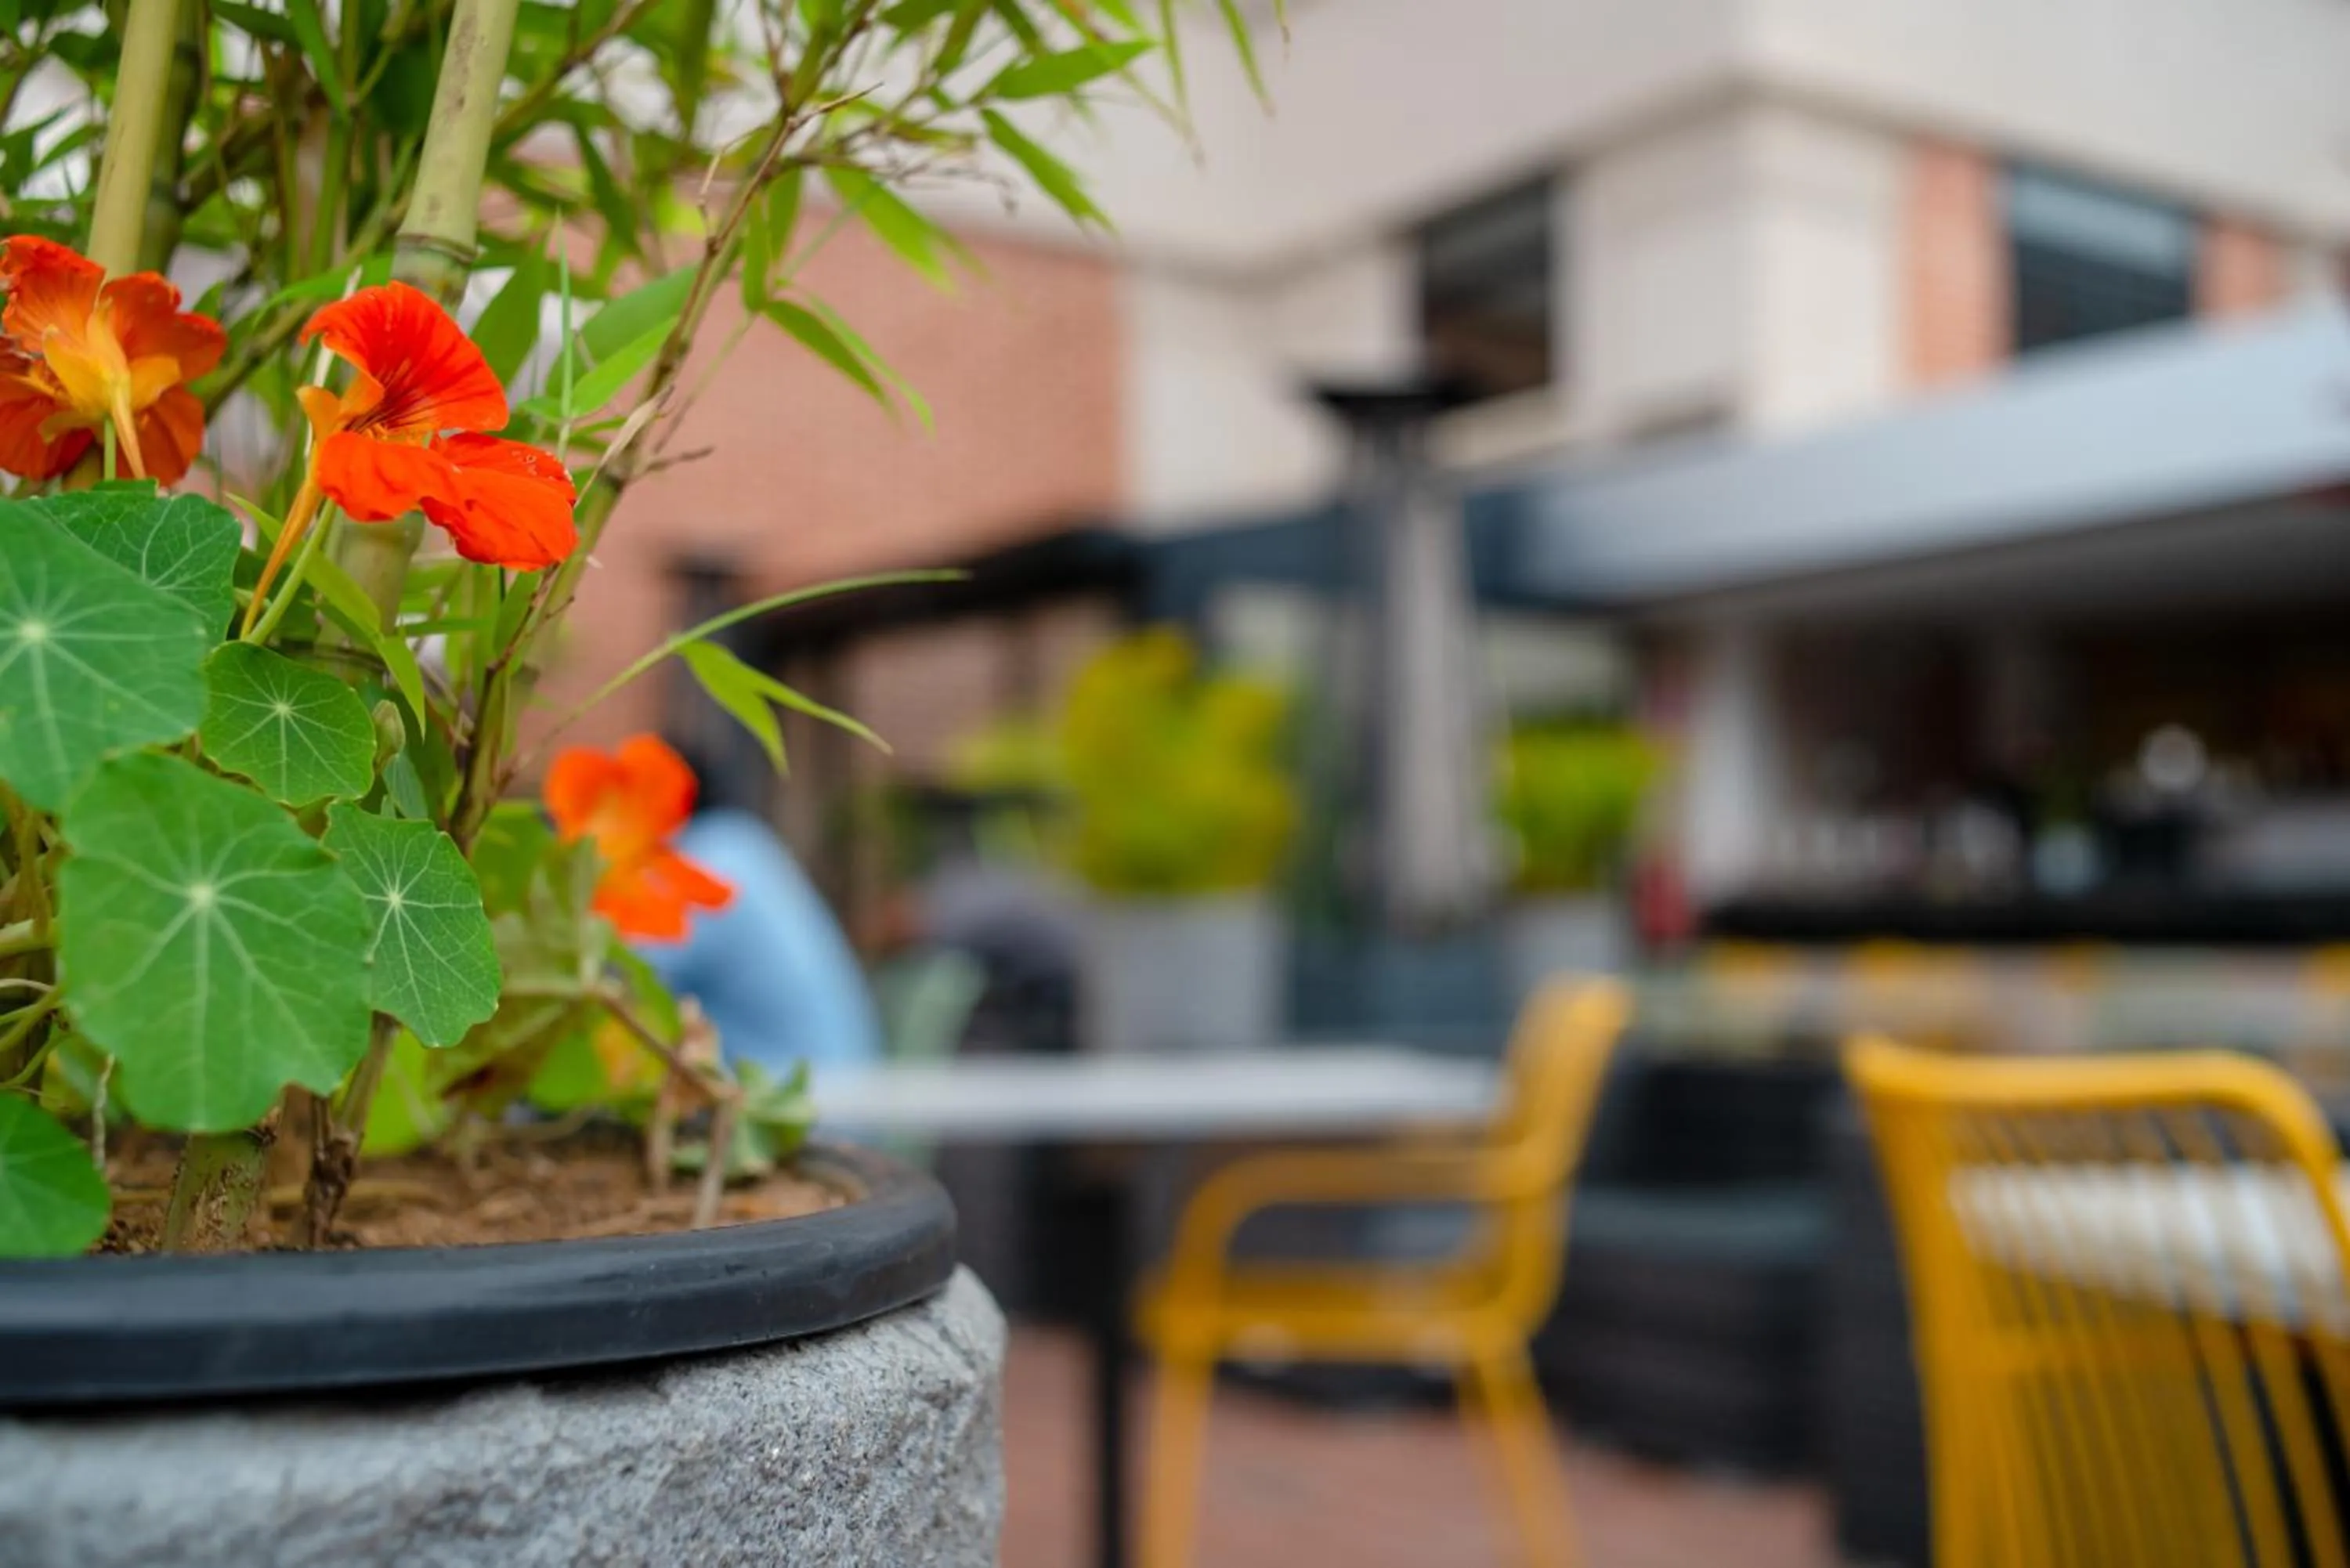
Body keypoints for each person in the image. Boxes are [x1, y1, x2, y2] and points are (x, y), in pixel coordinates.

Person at [640, 748, 883, 1078]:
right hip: (850, 1084)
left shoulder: (710, 859)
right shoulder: (745, 844)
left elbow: (626, 968)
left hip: (805, 1098)